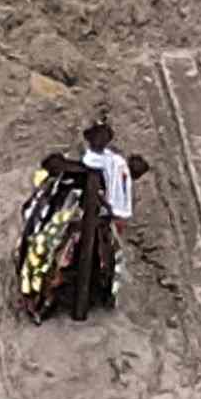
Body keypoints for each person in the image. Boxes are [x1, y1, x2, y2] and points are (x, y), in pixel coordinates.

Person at [72, 117, 135, 309]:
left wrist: (118, 213)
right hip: (82, 215)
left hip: (104, 218)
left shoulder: (116, 164)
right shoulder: (86, 160)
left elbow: (121, 191)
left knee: (105, 256)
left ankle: (104, 292)